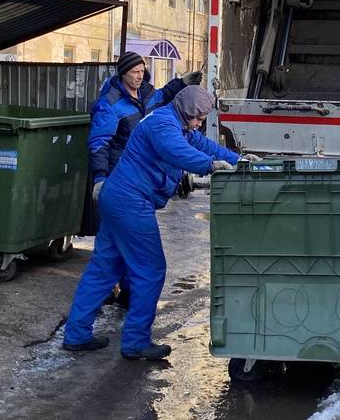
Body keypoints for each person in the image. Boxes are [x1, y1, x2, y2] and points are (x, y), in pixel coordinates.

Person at [63, 85, 240, 360]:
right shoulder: (163, 124)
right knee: (150, 269)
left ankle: (76, 334)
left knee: (104, 268)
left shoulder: (175, 121)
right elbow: (178, 152)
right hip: (130, 203)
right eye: (199, 116)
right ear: (188, 109)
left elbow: (203, 145)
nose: (200, 122)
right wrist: (210, 166)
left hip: (118, 197)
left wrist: (238, 161)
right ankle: (135, 342)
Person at [87, 52, 201, 307]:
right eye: (134, 71)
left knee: (129, 239)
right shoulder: (110, 103)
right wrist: (99, 178)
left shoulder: (148, 94)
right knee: (114, 239)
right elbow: (98, 143)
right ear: (123, 73)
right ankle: (105, 291)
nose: (139, 76)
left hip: (140, 180)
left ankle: (125, 292)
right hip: (118, 177)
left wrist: (182, 82)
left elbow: (163, 96)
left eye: (142, 71)